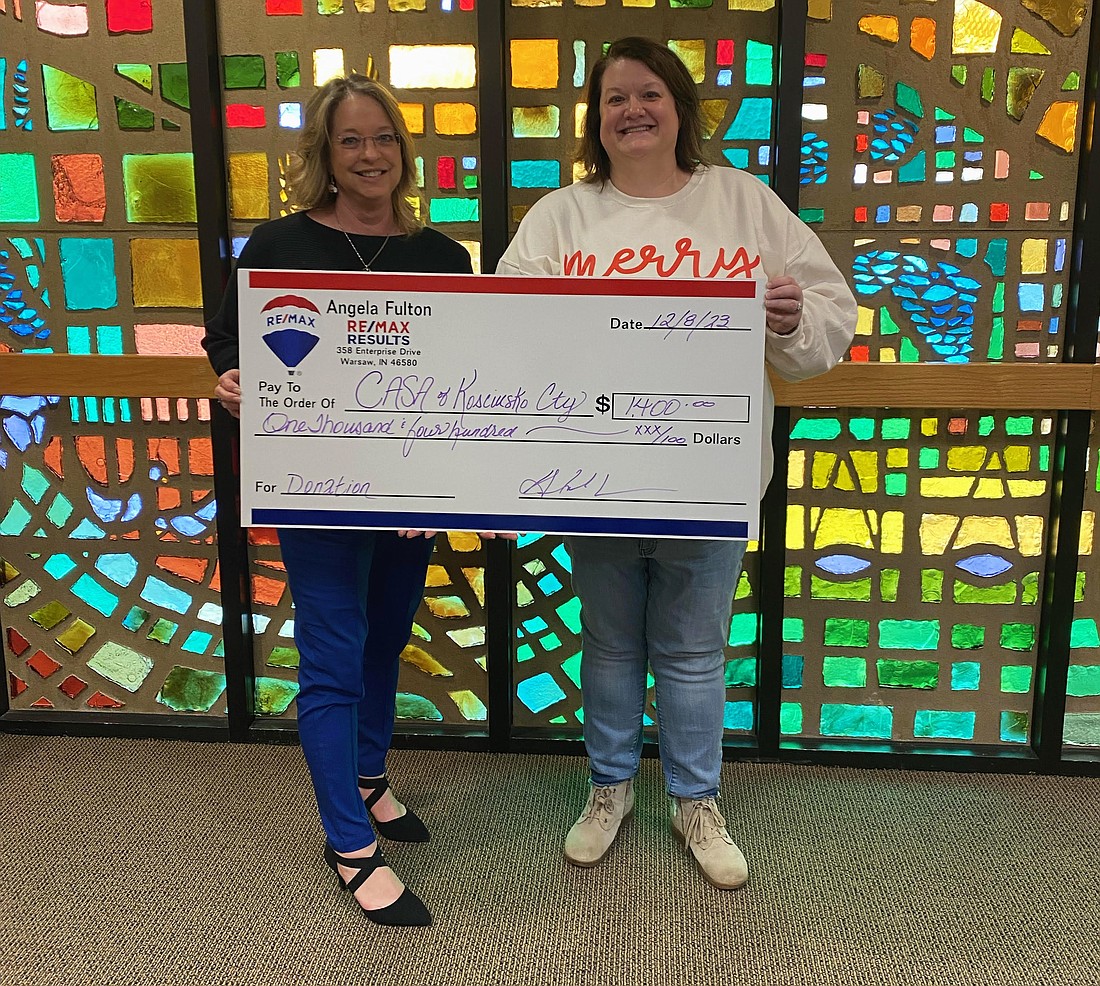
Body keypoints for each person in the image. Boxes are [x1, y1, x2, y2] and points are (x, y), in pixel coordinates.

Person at [497, 37, 857, 890]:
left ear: (681, 108)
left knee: (695, 653)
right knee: (613, 646)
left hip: (711, 480)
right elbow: (508, 327)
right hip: (599, 476)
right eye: (615, 97)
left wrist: (788, 317)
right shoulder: (562, 217)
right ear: (597, 117)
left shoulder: (743, 204)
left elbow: (830, 319)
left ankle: (697, 801)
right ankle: (610, 789)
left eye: (649, 94)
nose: (633, 111)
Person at [203, 75, 475, 927]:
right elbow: (227, 339)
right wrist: (231, 378)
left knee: (388, 636)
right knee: (334, 649)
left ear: (404, 150)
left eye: (383, 138)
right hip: (313, 487)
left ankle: (368, 777)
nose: (369, 155)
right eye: (351, 140)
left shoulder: (442, 256)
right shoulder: (276, 245)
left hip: (405, 490)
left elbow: (463, 376)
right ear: (322, 154)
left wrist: (450, 480)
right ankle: (351, 846)